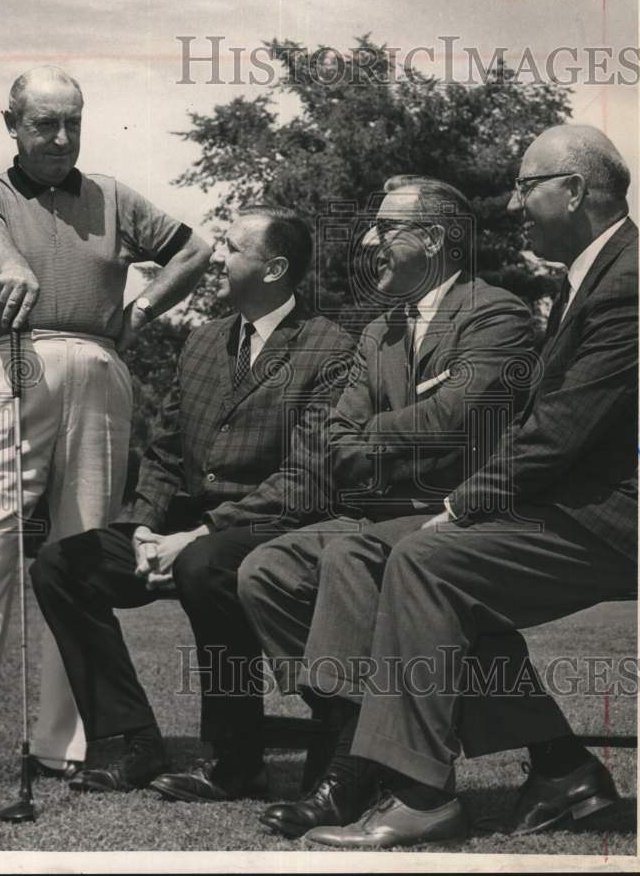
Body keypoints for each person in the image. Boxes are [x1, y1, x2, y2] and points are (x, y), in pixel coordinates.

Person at [286, 124, 637, 850]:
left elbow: (558, 433)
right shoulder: (589, 277)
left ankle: (419, 795)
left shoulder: (627, 282)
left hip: (619, 517)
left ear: (572, 191)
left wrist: (458, 506)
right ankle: (561, 773)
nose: (512, 204)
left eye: (526, 185)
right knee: (380, 554)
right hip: (572, 505)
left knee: (426, 561)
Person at [154, 174, 534, 808]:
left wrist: (383, 434)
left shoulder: (496, 314)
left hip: (460, 515)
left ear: (434, 239)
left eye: (386, 228)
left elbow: (457, 423)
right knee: (266, 570)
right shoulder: (378, 333)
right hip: (378, 516)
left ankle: (350, 764)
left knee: (344, 560)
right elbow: (336, 444)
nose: (368, 240)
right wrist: (412, 423)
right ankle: (354, 731)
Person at [0, 66, 210, 793]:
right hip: (14, 360)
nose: (60, 137)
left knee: (78, 554)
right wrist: (10, 261)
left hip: (100, 362)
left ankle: (71, 740)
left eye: (73, 123)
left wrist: (143, 310)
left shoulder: (112, 195)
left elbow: (196, 249)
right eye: (45, 123)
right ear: (12, 123)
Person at [29, 206, 355, 795]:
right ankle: (132, 741)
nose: (219, 258)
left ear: (275, 268)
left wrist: (200, 534)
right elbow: (166, 453)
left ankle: (239, 761)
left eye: (233, 248)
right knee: (60, 565)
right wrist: (143, 530)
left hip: (273, 526)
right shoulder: (204, 342)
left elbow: (308, 477)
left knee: (205, 567)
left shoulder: (331, 348)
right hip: (183, 527)